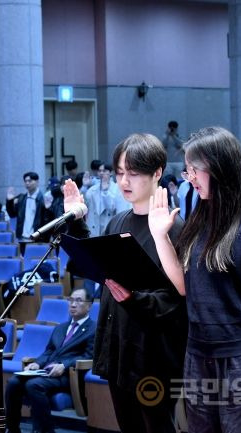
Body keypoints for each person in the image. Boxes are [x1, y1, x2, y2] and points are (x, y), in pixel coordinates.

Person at [149, 126, 241, 432]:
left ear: (220, 167)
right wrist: (160, 237)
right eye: (187, 171)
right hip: (199, 354)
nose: (190, 178)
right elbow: (185, 286)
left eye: (194, 170)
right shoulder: (204, 213)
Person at [92, 133, 187, 433]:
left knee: (156, 427)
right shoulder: (117, 221)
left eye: (133, 173)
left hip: (154, 354)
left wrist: (133, 299)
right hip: (119, 345)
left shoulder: (174, 229)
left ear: (156, 173)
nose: (124, 181)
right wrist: (75, 219)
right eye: (120, 173)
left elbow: (176, 300)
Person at [6, 288, 95, 433]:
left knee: (33, 385)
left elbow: (88, 356)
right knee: (13, 382)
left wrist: (64, 365)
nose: (73, 305)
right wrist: (37, 363)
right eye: (71, 300)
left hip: (68, 375)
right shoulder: (60, 328)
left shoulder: (93, 328)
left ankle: (45, 430)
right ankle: (13, 429)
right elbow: (49, 351)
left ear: (89, 305)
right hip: (47, 371)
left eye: (78, 301)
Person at [6, 171, 48, 247]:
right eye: (25, 181)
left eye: (30, 181)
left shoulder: (43, 199)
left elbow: (46, 220)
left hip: (38, 238)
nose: (27, 183)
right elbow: (12, 214)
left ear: (37, 182)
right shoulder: (21, 198)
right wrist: (9, 201)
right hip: (22, 237)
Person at [85, 163, 122, 236]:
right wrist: (85, 187)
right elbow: (85, 204)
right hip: (94, 227)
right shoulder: (93, 189)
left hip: (108, 226)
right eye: (100, 171)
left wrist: (105, 192)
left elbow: (111, 207)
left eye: (104, 171)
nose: (101, 173)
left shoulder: (117, 188)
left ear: (110, 173)